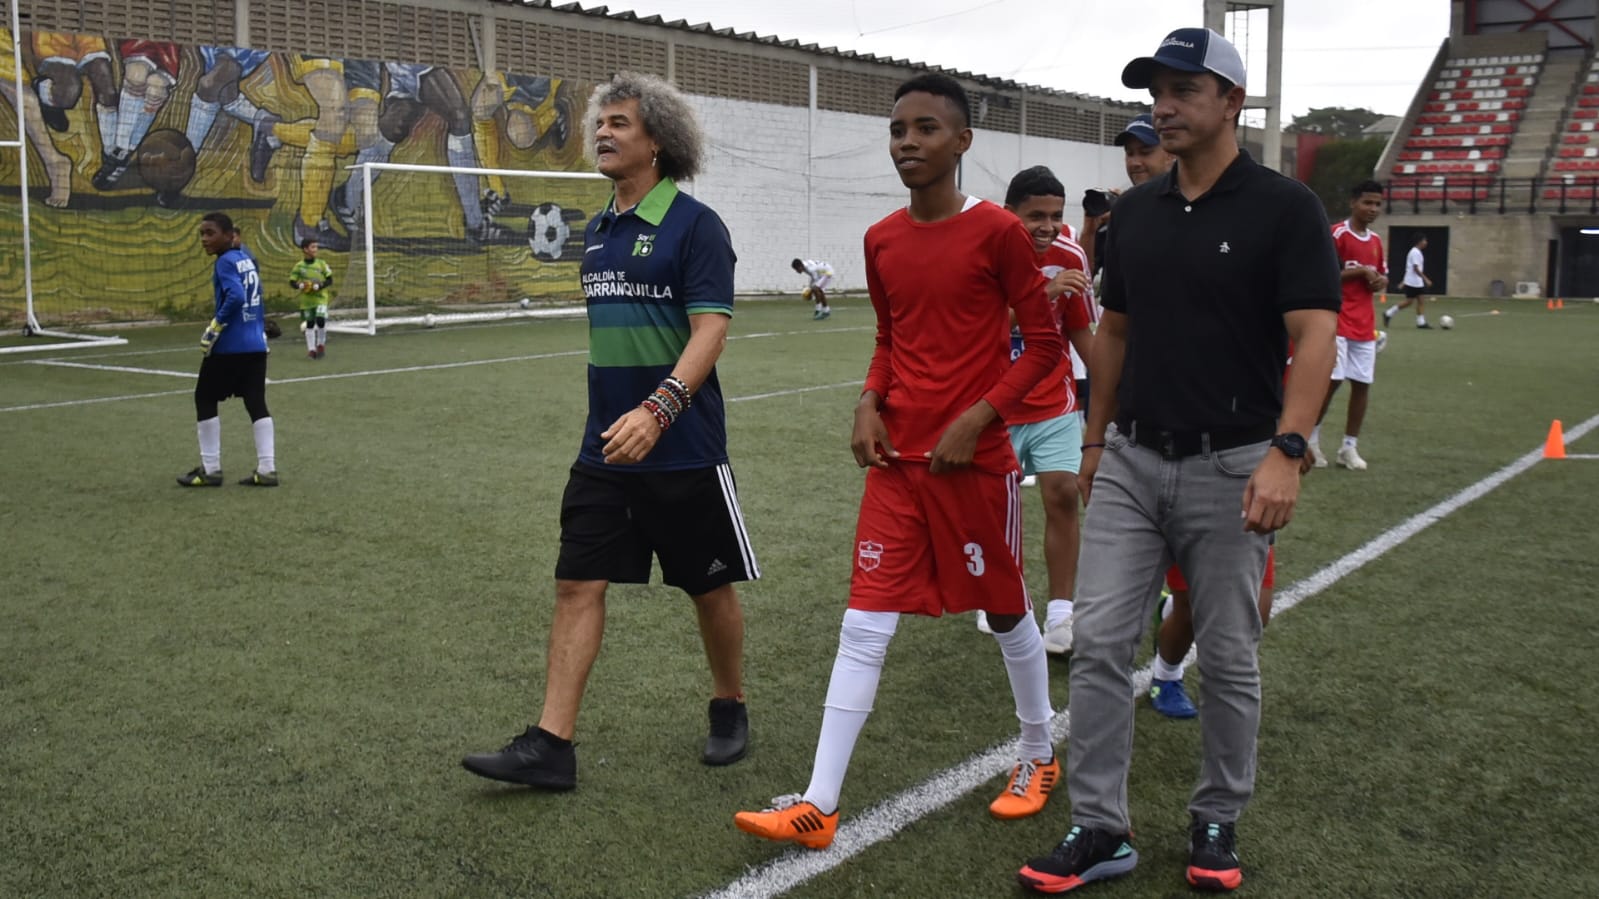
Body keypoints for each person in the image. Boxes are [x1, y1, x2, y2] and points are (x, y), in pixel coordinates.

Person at [1017, 28, 1338, 894]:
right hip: (1128, 458)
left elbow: (1316, 333)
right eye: (1156, 89)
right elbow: (1113, 333)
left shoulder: (1283, 207)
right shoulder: (1135, 217)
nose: (1163, 105)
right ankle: (1099, 826)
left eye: (1184, 90)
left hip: (1234, 459)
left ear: (1230, 102)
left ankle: (1215, 817)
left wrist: (1287, 448)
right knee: (1097, 644)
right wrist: (1092, 440)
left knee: (1229, 654)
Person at [733, 73, 1064, 850]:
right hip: (896, 463)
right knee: (862, 623)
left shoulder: (998, 233)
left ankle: (1038, 752)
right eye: (896, 130)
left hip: (973, 463)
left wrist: (977, 417)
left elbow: (1043, 346)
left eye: (924, 128)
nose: (906, 142)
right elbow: (888, 339)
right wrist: (866, 400)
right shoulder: (880, 239)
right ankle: (818, 803)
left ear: (962, 142)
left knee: (1009, 608)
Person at [461, 72, 757, 791]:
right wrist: (619, 420)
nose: (603, 132)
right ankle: (551, 744)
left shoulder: (695, 225)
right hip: (604, 449)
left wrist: (659, 408)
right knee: (575, 584)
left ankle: (729, 703)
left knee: (707, 587)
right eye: (602, 122)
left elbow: (710, 328)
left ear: (657, 140)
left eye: (620, 123)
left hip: (681, 445)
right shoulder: (596, 230)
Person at [974, 165, 1094, 657]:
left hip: (1053, 403)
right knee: (993, 511)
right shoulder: (981, 252)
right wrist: (1039, 295)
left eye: (1055, 215)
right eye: (1035, 216)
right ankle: (998, 594)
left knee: (1063, 495)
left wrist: (1113, 398)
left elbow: (1084, 336)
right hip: (992, 407)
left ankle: (1062, 617)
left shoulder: (1070, 255)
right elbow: (969, 327)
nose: (1047, 226)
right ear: (1009, 215)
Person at [1075, 114, 1174, 418]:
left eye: (1145, 152)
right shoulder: (1121, 213)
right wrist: (1092, 230)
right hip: (1119, 348)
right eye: (1129, 154)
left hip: (1171, 356)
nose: (1135, 162)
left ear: (1170, 153)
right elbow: (1086, 277)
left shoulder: (1191, 209)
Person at [178, 212, 278, 488]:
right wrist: (261, 322)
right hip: (257, 344)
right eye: (202, 234)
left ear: (228, 235)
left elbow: (235, 296)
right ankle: (267, 469)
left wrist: (215, 326)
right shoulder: (246, 259)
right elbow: (253, 295)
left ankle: (211, 470)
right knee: (256, 402)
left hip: (230, 348)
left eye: (210, 233)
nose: (204, 239)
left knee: (205, 398)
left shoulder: (224, 263)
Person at [1309, 181, 1388, 470]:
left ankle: (1349, 447)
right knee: (1332, 381)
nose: (1373, 209)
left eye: (1378, 204)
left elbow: (1382, 276)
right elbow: (1323, 275)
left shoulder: (1377, 241)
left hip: (1365, 323)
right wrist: (1360, 272)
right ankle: (1311, 440)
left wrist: (1380, 280)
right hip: (1337, 318)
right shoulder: (1337, 235)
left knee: (1362, 384)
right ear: (1353, 203)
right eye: (1368, 203)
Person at [289, 238, 334, 359]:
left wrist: (320, 285)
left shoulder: (321, 264)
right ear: (305, 249)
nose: (316, 249)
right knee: (309, 324)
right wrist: (300, 285)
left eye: (316, 247)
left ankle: (320, 344)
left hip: (320, 298)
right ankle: (311, 350)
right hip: (307, 301)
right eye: (313, 247)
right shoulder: (299, 266)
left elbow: (330, 280)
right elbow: (292, 282)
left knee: (320, 319)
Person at [1385, 234, 1433, 329]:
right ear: (1419, 241)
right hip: (1413, 282)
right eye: (1424, 240)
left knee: (1420, 300)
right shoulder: (1415, 252)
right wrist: (1426, 279)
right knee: (1409, 302)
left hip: (1416, 282)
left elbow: (1409, 269)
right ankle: (1388, 313)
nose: (1426, 242)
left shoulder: (1416, 252)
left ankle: (1421, 322)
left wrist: (1403, 282)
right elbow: (1415, 268)